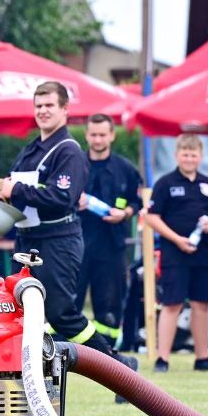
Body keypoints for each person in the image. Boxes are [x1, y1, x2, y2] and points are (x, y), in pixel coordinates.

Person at [0, 82, 115, 358]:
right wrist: (1, 194)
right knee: (18, 306)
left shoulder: (69, 151)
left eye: (49, 105)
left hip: (58, 241)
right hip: (27, 239)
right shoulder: (32, 149)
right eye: (38, 106)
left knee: (60, 312)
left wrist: (14, 189)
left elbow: (62, 197)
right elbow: (20, 191)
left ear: (65, 109)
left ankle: (115, 366)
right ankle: (21, 370)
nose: (42, 111)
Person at [145, 134, 208, 372]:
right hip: (174, 253)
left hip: (203, 253)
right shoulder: (165, 183)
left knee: (202, 304)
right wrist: (176, 239)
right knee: (172, 304)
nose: (189, 159)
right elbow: (151, 217)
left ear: (200, 157)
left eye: (193, 155)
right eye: (185, 154)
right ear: (176, 155)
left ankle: (203, 358)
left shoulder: (207, 184)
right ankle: (162, 359)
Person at [75, 113, 142, 352]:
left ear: (112, 135)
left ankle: (106, 352)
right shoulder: (74, 166)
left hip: (112, 245)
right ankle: (67, 350)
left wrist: (124, 213)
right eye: (93, 134)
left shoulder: (126, 169)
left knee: (110, 305)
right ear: (86, 135)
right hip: (76, 244)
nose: (98, 139)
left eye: (102, 135)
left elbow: (137, 202)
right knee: (69, 301)